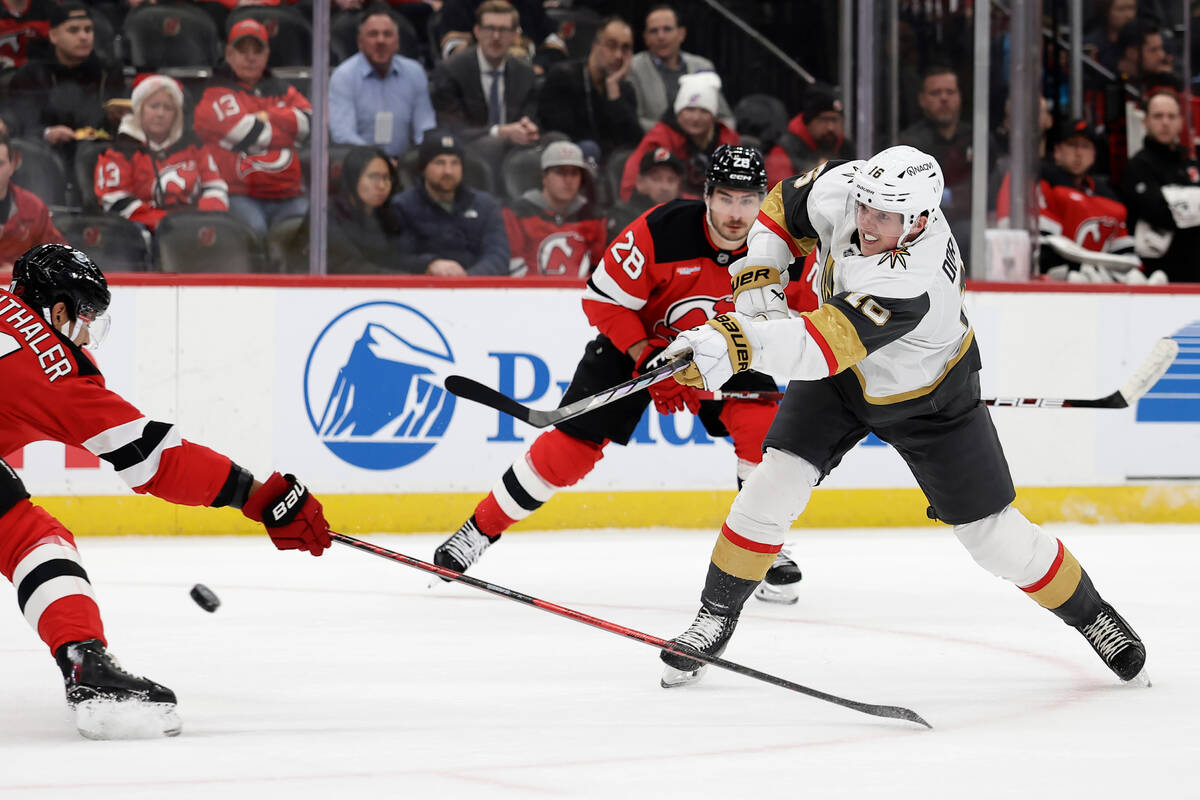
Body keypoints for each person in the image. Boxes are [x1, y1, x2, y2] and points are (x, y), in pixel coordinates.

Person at [653, 146, 1148, 688]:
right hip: (840, 383)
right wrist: (759, 275)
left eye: (883, 216)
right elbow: (779, 208)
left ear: (920, 219)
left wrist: (735, 341)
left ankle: (1093, 615)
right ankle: (715, 616)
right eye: (865, 207)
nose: (866, 223)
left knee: (993, 539)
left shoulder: (914, 276)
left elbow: (822, 345)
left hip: (929, 397)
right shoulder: (847, 189)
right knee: (771, 486)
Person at [432, 145, 807, 606]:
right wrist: (645, 352)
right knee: (566, 453)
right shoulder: (660, 229)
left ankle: (763, 551)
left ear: (763, 200)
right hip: (637, 345)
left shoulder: (780, 247)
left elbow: (800, 317)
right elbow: (602, 300)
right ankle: (477, 532)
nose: (736, 213)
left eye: (748, 200)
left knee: (762, 433)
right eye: (726, 198)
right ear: (707, 195)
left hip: (732, 351)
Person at [0, 243, 333, 739]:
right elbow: (154, 460)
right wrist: (259, 498)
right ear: (60, 309)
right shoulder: (50, 363)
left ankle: (84, 658)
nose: (87, 333)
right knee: (31, 539)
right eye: (86, 316)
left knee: (17, 526)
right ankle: (86, 664)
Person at [194, 18, 311, 236]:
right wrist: (289, 133)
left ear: (266, 55)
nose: (250, 57)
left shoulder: (282, 88)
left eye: (257, 51)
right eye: (242, 50)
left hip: (290, 195)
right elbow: (245, 133)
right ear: (229, 54)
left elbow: (310, 124)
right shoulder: (214, 91)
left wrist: (267, 115)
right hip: (240, 194)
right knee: (255, 233)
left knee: (310, 234)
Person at [996, 117, 1137, 277]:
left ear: (1093, 155)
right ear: (1057, 151)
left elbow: (1126, 256)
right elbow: (1044, 249)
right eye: (1072, 145)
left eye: (1085, 147)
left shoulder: (1109, 196)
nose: (1078, 153)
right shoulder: (1041, 181)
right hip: (1057, 280)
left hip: (1099, 280)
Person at [94, 74, 229, 232]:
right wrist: (164, 222)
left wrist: (205, 218)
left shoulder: (194, 146)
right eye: (154, 106)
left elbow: (215, 186)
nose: (160, 113)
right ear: (140, 110)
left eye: (168, 108)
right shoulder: (120, 151)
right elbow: (116, 201)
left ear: (177, 114)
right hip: (144, 228)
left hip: (193, 225)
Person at [4, 3, 120, 162]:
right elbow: (21, 122)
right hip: (44, 159)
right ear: (53, 36)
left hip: (100, 158)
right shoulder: (32, 74)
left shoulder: (108, 72)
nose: (83, 36)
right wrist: (47, 133)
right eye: (73, 30)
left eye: (88, 30)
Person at [428, 0, 540, 164]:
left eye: (503, 30)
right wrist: (498, 132)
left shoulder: (525, 73)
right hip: (469, 154)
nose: (496, 37)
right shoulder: (451, 70)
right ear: (477, 31)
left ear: (516, 35)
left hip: (516, 154)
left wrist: (529, 128)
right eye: (489, 29)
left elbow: (530, 118)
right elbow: (451, 129)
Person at [390, 130, 510, 275]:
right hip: (424, 290)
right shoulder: (402, 206)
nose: (448, 171)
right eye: (439, 163)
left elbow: (498, 255)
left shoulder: (486, 205)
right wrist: (430, 264)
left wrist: (468, 279)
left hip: (477, 289)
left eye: (455, 163)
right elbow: (397, 257)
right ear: (423, 169)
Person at [329, 4, 436, 160]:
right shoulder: (343, 76)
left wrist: (416, 159)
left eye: (387, 34)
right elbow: (343, 135)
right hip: (359, 163)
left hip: (405, 165)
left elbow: (425, 128)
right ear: (360, 42)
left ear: (397, 42)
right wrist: (381, 162)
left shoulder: (415, 72)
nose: (380, 40)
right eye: (373, 34)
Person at [535, 16, 642, 163]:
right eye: (611, 45)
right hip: (570, 162)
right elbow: (559, 131)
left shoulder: (623, 88)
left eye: (625, 48)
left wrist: (613, 91)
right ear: (595, 45)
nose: (618, 55)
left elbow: (633, 140)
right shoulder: (563, 76)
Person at [619, 71, 739, 202]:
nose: (696, 118)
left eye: (704, 111)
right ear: (678, 112)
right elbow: (630, 186)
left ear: (714, 116)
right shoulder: (660, 138)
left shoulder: (727, 140)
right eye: (690, 110)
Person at [1121, 89, 1200, 282]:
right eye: (1158, 116)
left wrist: (1174, 202)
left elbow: (1169, 210)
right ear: (1145, 121)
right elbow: (1158, 212)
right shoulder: (1137, 166)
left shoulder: (1191, 163)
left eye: (1171, 116)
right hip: (1157, 275)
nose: (1165, 122)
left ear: (1181, 122)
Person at [503, 141, 607, 277]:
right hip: (530, 294)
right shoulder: (518, 213)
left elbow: (601, 270)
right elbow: (514, 268)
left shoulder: (593, 216)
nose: (568, 180)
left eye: (574, 173)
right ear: (544, 177)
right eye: (560, 172)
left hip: (581, 294)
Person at [898, 64, 973, 249]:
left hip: (973, 225)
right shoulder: (909, 145)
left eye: (950, 92)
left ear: (960, 97)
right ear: (922, 100)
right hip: (923, 230)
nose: (944, 98)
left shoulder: (978, 139)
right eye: (936, 93)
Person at [628, 3, 734, 132]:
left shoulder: (702, 66)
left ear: (681, 34)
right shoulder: (633, 67)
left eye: (667, 29)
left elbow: (726, 118)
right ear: (646, 38)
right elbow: (635, 120)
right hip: (658, 142)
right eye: (653, 31)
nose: (661, 37)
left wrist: (709, 135)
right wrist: (677, 134)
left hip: (703, 142)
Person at [0, 132, 66, 269]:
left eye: (0, 164)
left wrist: (22, 272)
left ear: (13, 165)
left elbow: (61, 261)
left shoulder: (33, 208)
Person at [765, 86, 854, 186]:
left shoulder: (845, 148)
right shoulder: (784, 150)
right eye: (824, 120)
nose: (830, 127)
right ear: (808, 122)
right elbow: (777, 195)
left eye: (835, 120)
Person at [606, 146, 683, 236]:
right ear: (640, 182)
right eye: (656, 179)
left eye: (671, 180)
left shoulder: (689, 216)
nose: (665, 187)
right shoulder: (622, 216)